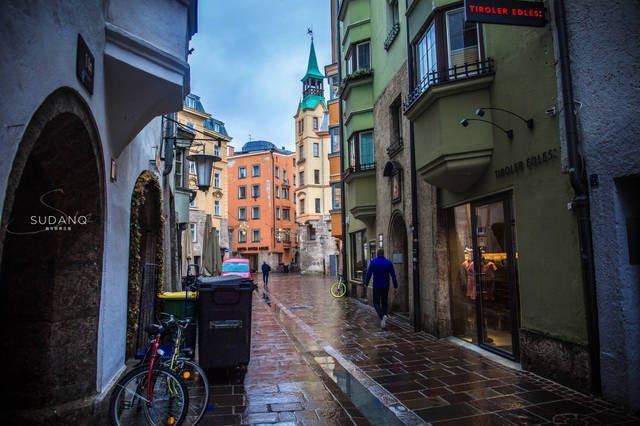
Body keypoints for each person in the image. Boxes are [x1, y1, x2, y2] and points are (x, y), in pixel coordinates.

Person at [364, 248, 398, 329]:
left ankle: (382, 316)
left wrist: (366, 283)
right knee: (384, 302)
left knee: (376, 303)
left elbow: (369, 273)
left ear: (377, 254)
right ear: (383, 254)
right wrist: (395, 286)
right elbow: (393, 275)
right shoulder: (388, 262)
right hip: (386, 286)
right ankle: (384, 320)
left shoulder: (373, 262)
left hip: (377, 286)